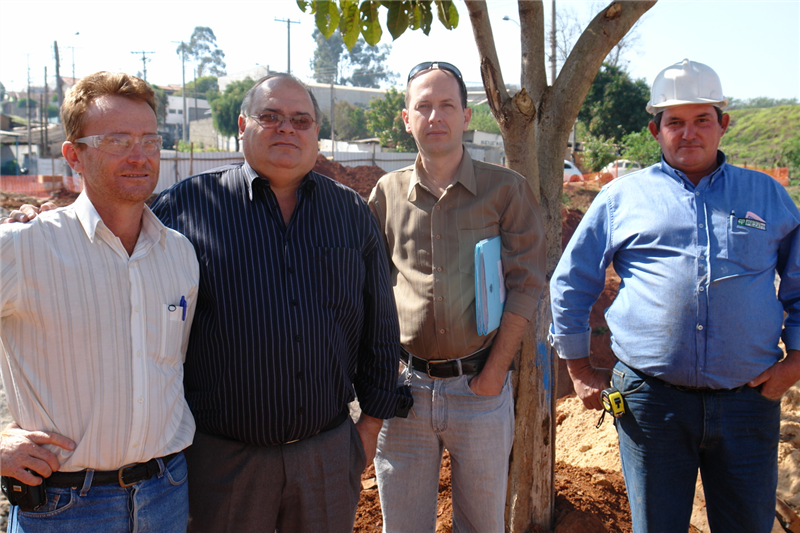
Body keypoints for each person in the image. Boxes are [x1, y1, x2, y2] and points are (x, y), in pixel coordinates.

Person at [550, 58, 800, 533]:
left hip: (749, 404)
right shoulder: (622, 198)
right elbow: (571, 281)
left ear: (723, 124)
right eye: (675, 122)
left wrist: (796, 361)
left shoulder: (767, 197)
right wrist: (578, 367)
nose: (689, 133)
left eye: (702, 119)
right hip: (650, 404)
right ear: (655, 129)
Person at [149, 72, 403, 533]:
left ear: (317, 136)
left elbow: (381, 328)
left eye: (301, 120)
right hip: (222, 463)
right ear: (243, 124)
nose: (287, 128)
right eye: (271, 117)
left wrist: (368, 428)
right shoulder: (186, 207)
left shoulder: (349, 213)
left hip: (325, 457)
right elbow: (122, 280)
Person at [0, 71, 199, 532]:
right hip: (64, 509)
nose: (139, 155)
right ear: (74, 155)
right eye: (116, 140)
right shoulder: (24, 249)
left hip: (165, 494)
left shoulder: (181, 255)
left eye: (150, 140)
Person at [368, 62, 546, 532]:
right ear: (406, 118)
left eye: (447, 105)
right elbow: (369, 289)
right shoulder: (385, 195)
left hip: (479, 390)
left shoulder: (505, 190)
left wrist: (493, 375)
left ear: (467, 116)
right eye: (422, 106)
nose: (435, 116)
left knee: (483, 525)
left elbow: (527, 285)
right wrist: (384, 371)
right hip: (405, 391)